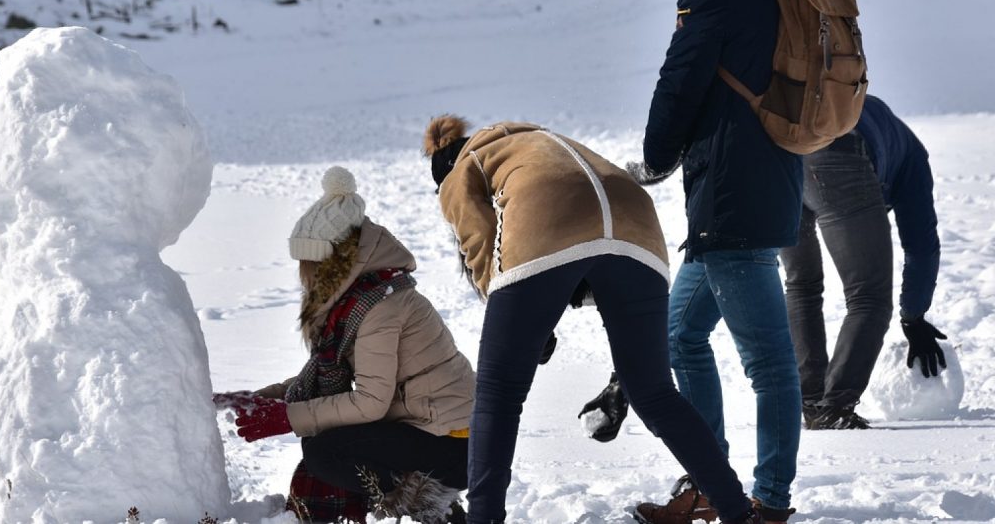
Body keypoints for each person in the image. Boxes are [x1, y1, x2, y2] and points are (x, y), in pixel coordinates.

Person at [423, 115, 764, 524]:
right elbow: (589, 238)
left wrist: (510, 309)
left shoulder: (462, 168)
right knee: (655, 393)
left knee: (499, 391)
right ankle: (738, 512)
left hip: (549, 217)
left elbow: (479, 241)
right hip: (637, 223)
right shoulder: (540, 141)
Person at [628, 0, 807, 524]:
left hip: (733, 194)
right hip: (760, 183)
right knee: (681, 337)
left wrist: (652, 159)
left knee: (767, 362)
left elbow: (681, 80)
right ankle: (709, 481)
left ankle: (768, 502)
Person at [214, 166, 475, 524]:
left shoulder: (381, 306)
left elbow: (369, 402)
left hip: (451, 442)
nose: (305, 274)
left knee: (327, 453)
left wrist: (288, 417)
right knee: (325, 442)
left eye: (311, 263)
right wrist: (263, 397)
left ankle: (430, 503)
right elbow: (323, 378)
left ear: (336, 262)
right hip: (426, 428)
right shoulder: (363, 298)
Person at [780, 94, 947, 430]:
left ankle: (812, 404)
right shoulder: (912, 157)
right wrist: (913, 317)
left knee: (801, 284)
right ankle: (835, 408)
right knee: (869, 297)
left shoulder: (882, 128)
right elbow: (922, 246)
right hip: (839, 154)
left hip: (781, 152)